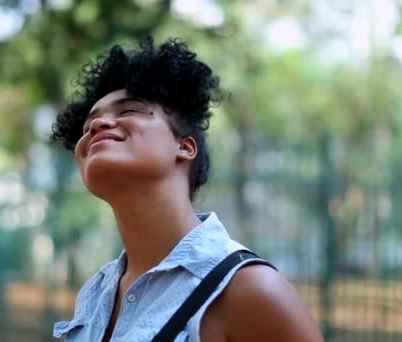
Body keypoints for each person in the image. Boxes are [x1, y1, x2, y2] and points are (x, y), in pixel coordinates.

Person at [51, 37, 324, 341]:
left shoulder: (249, 290)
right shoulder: (94, 293)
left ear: (184, 146)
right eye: (89, 122)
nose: (98, 124)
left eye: (128, 110)